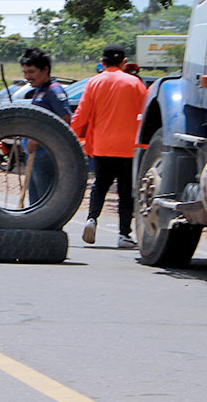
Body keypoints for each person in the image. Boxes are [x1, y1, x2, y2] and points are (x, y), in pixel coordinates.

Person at [71, 43, 148, 248]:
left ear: (102, 62)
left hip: (102, 146)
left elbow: (82, 114)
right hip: (130, 147)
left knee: (100, 185)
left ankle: (92, 219)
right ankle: (124, 234)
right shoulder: (135, 83)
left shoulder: (94, 83)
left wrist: (72, 134)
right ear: (124, 62)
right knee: (126, 192)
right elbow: (146, 114)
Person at [19, 47, 72, 206]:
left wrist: (39, 139)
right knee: (34, 202)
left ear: (45, 70)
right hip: (34, 155)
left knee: (45, 203)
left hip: (45, 154)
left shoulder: (54, 91)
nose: (28, 77)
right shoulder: (39, 90)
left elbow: (65, 120)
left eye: (32, 72)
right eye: (25, 72)